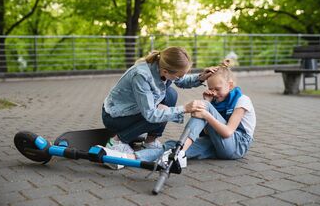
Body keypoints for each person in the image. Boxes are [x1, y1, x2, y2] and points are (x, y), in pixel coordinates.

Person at [105, 58, 256, 169]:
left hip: (237, 145)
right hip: (218, 145)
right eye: (211, 88)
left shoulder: (242, 100)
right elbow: (203, 131)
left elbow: (228, 132)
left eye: (217, 89)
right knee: (171, 147)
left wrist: (207, 110)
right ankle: (126, 159)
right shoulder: (216, 100)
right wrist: (208, 104)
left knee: (202, 109)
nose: (214, 92)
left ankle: (180, 153)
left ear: (230, 85)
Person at [102, 46, 217, 155]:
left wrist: (201, 77)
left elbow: (182, 81)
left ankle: (150, 141)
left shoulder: (162, 67)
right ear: (166, 72)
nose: (181, 78)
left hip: (135, 110)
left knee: (170, 94)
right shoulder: (141, 76)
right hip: (115, 117)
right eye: (179, 76)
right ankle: (117, 141)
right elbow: (151, 114)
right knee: (161, 114)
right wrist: (184, 109)